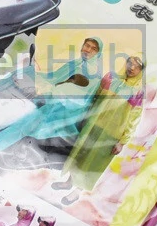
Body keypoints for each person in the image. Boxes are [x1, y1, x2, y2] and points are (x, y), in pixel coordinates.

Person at [53, 54, 147, 195]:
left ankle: (77, 192)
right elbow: (94, 97)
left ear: (142, 71)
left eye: (137, 66)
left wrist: (123, 141)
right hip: (93, 124)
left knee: (93, 162)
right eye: (130, 63)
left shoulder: (138, 92)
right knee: (80, 154)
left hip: (111, 134)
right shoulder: (111, 78)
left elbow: (134, 119)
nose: (132, 68)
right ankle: (68, 182)